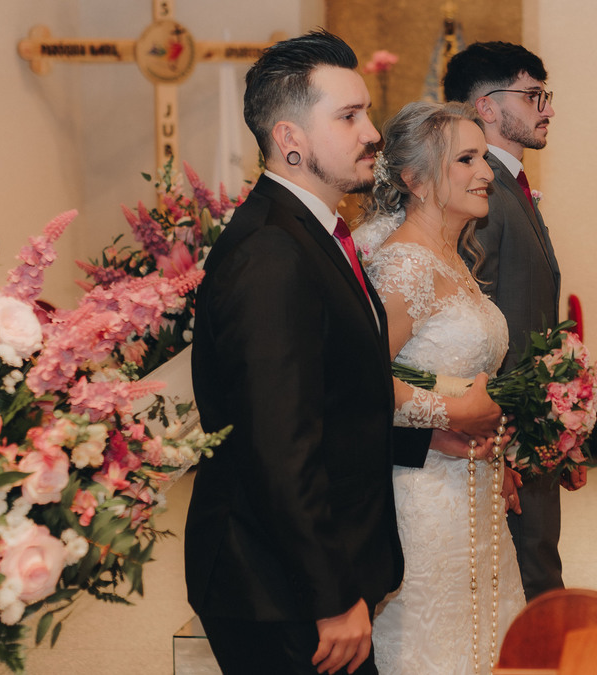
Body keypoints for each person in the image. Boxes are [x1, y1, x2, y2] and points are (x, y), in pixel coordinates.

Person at [185, 31, 499, 675]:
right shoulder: (273, 251)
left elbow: (333, 398)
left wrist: (423, 440)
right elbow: (277, 445)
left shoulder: (314, 233)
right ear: (290, 139)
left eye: (367, 114)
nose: (373, 133)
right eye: (349, 117)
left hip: (299, 573)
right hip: (276, 587)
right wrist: (328, 597)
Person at [354, 101, 527, 674]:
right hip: (422, 495)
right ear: (415, 179)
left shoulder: (451, 257)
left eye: (484, 158)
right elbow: (359, 383)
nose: (486, 173)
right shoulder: (405, 266)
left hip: (469, 482)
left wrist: (490, 444)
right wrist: (453, 415)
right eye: (466, 159)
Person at [443, 41, 587, 602]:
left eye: (544, 95)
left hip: (528, 425)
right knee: (531, 576)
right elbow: (471, 326)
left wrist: (559, 424)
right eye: (532, 96)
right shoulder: (484, 197)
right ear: (486, 106)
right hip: (503, 429)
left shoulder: (511, 188)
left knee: (537, 565)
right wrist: (504, 440)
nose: (547, 109)